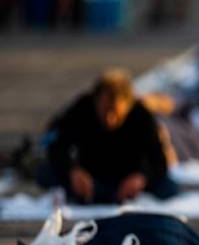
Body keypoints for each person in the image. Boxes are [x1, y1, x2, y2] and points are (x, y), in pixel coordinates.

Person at [40, 69, 178, 204]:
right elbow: (57, 146)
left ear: (128, 105)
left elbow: (159, 160)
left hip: (127, 179)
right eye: (105, 110)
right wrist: (72, 170)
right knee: (46, 172)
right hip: (91, 178)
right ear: (96, 101)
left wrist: (142, 177)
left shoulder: (141, 115)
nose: (110, 119)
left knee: (169, 188)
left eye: (116, 113)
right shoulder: (81, 108)